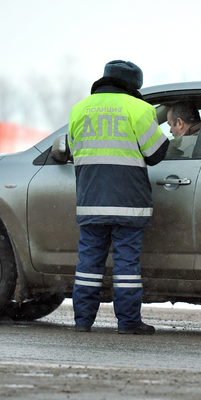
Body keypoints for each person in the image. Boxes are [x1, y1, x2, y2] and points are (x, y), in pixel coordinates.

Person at [68, 60, 169, 335]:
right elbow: (156, 154)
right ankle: (127, 322)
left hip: (91, 201)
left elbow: (73, 151)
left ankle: (82, 321)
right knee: (126, 266)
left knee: (88, 264)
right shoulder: (139, 109)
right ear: (134, 86)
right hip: (128, 204)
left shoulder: (80, 109)